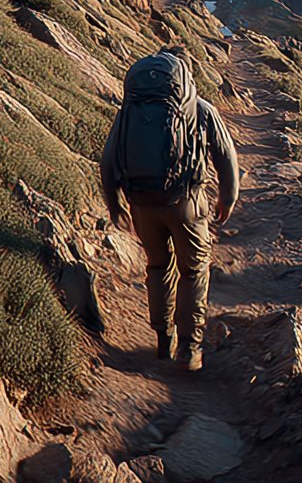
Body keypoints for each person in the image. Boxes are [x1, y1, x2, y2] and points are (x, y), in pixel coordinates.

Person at [100, 47, 238, 371]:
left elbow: (108, 160)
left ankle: (164, 337)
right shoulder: (202, 110)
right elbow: (226, 157)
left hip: (141, 202)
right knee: (193, 270)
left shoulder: (130, 110)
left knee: (159, 267)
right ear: (185, 77)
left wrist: (114, 203)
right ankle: (189, 349)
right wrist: (228, 198)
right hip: (185, 203)